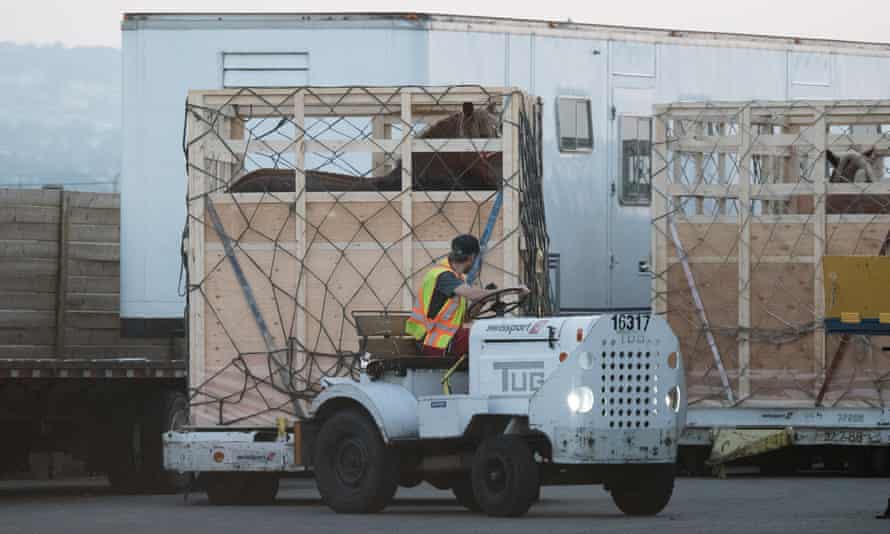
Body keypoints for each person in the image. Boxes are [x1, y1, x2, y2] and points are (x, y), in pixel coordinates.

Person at [406, 234, 527, 357]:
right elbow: (473, 294)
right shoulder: (444, 276)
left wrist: (483, 301)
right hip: (434, 343)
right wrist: (513, 290)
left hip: (444, 341)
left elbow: (466, 318)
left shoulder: (455, 278)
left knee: (486, 335)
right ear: (472, 257)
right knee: (489, 336)